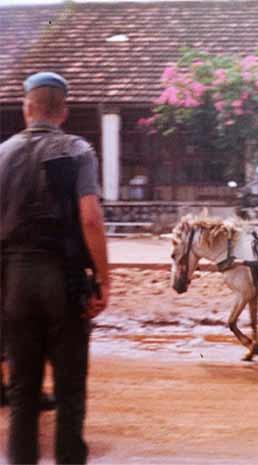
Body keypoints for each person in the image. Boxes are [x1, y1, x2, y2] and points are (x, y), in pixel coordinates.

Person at [0, 72, 110, 464]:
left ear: (26, 108)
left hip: (13, 283)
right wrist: (103, 280)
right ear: (63, 112)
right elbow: (91, 218)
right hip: (62, 282)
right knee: (69, 393)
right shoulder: (77, 150)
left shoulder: (2, 153)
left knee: (23, 394)